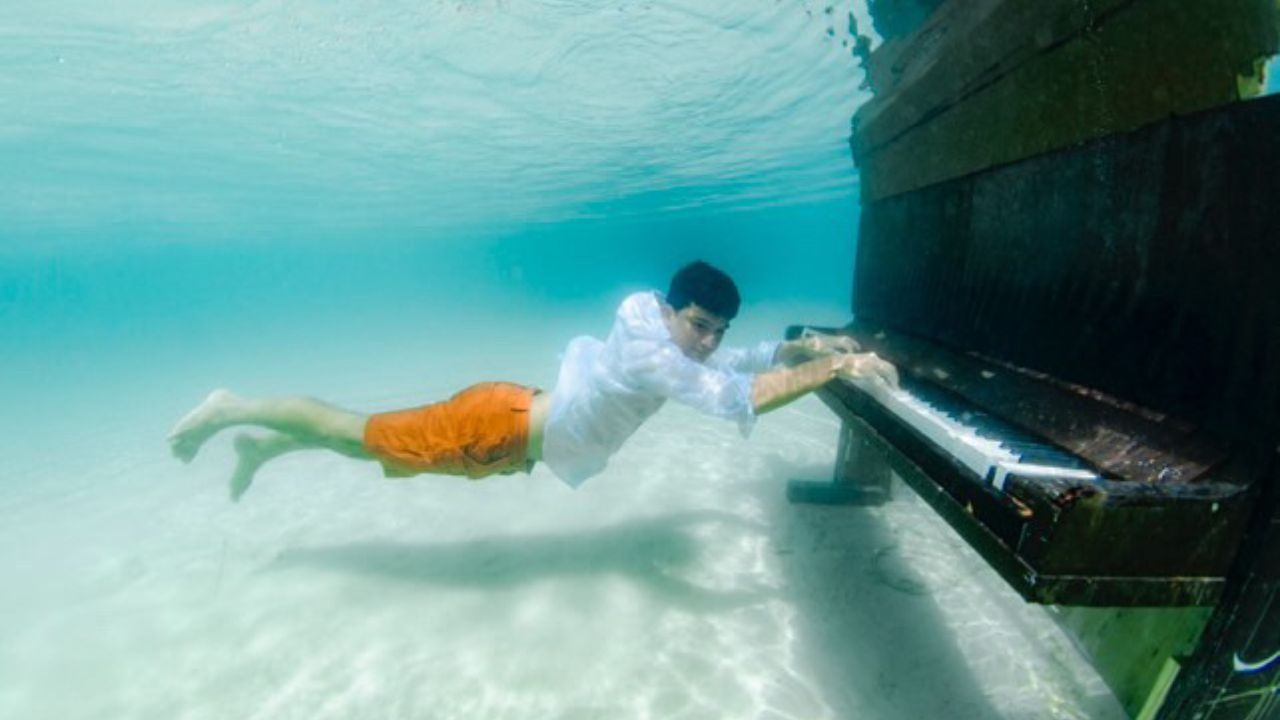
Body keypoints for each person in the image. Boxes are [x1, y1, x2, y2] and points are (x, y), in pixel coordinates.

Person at [168, 260, 899, 500]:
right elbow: (732, 395)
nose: (708, 341)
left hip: (506, 422)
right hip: (495, 429)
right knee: (354, 432)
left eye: (716, 331)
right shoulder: (656, 355)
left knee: (369, 447)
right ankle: (233, 409)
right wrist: (838, 363)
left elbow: (741, 362)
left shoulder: (660, 336)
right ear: (676, 311)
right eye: (698, 324)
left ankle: (263, 450)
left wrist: (808, 347)